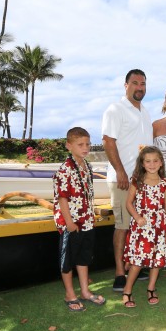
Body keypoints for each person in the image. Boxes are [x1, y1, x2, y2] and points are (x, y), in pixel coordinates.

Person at [101, 69, 153, 291]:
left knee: (138, 225)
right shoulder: (115, 109)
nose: (139, 87)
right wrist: (120, 171)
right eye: (135, 83)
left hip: (143, 181)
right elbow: (107, 141)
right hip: (122, 179)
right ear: (126, 85)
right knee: (122, 225)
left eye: (143, 83)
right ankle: (120, 273)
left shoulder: (144, 112)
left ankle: (136, 265)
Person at [53, 127, 106, 311]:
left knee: (84, 257)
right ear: (69, 146)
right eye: (80, 144)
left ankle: (85, 291)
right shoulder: (65, 169)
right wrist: (68, 221)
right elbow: (62, 197)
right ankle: (70, 294)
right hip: (72, 222)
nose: (85, 148)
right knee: (67, 260)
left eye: (88, 144)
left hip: (86, 220)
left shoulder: (87, 166)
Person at [121, 146, 166, 307]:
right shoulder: (137, 181)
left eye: (155, 161)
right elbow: (129, 203)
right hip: (142, 227)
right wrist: (137, 217)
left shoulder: (165, 182)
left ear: (161, 163)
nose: (152, 164)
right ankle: (127, 290)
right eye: (148, 161)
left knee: (157, 259)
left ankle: (151, 288)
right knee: (138, 261)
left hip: (159, 226)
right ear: (142, 164)